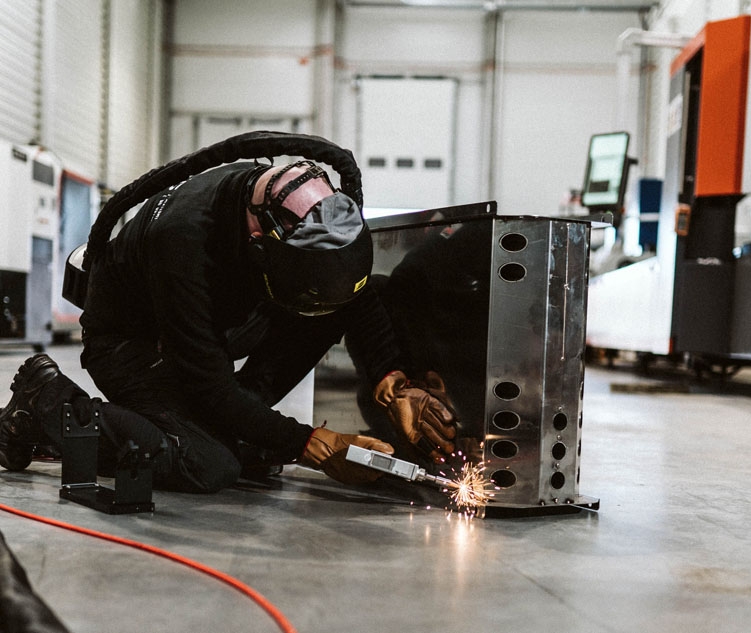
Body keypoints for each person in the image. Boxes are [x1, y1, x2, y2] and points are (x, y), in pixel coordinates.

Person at [0, 158, 457, 492]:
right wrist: (308, 443)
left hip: (213, 328)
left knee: (342, 295)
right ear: (260, 243)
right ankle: (48, 403)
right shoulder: (182, 243)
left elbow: (355, 297)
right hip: (133, 346)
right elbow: (211, 386)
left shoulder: (283, 211)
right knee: (208, 464)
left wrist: (394, 381)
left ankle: (240, 430)